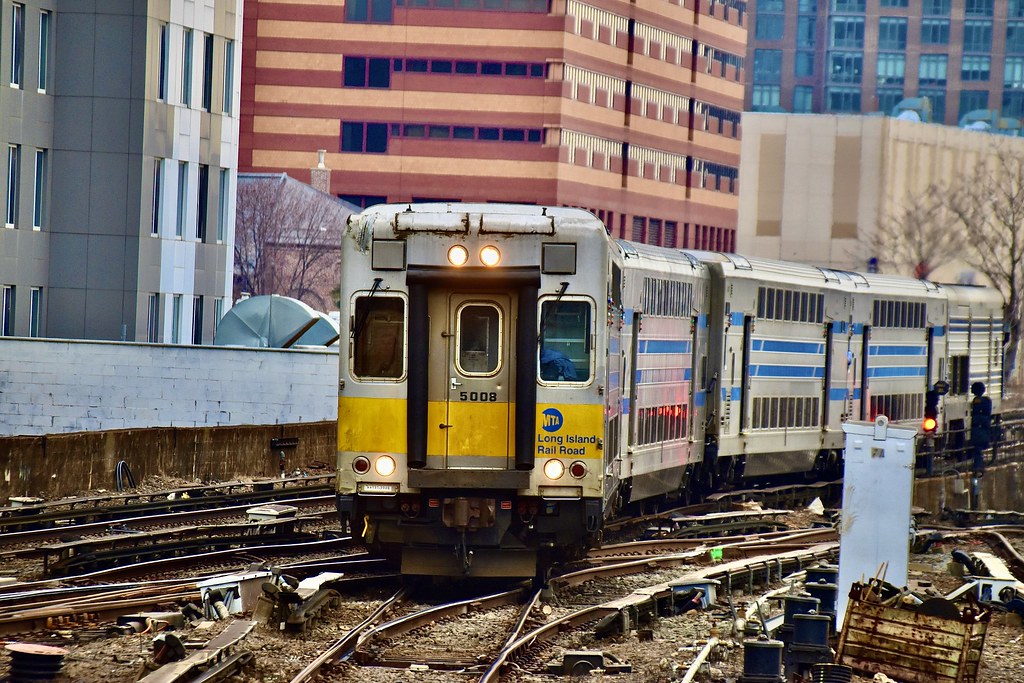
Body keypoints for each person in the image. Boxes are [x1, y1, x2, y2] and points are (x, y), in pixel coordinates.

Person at [969, 381, 992, 473]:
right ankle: (979, 465)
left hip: (978, 428)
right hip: (984, 427)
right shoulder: (988, 400)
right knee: (979, 449)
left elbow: (976, 413)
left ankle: (977, 466)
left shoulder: (977, 401)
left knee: (977, 448)